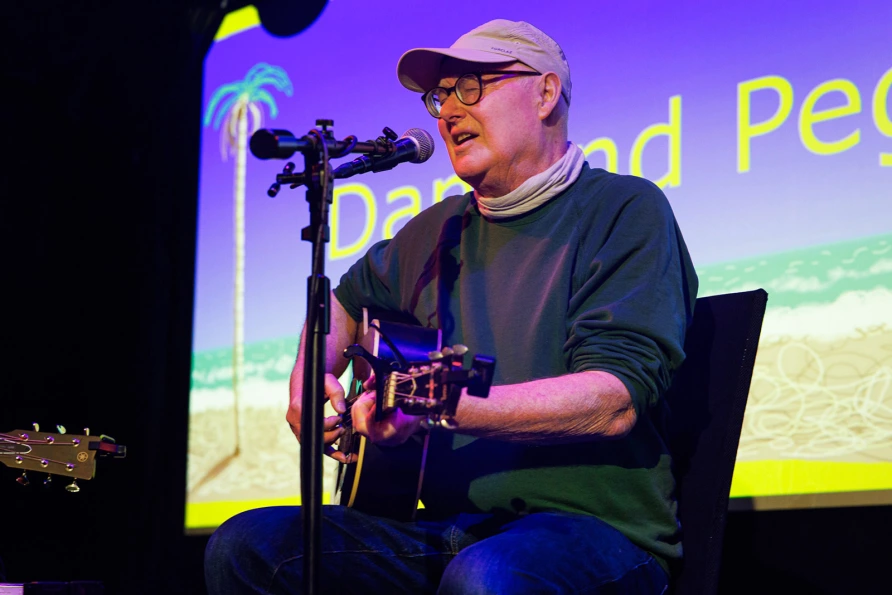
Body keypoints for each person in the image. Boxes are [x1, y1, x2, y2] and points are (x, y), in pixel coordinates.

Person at [205, 19, 698, 594]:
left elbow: (612, 401)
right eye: (441, 96)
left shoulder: (624, 208)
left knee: (486, 577)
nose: (447, 113)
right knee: (246, 549)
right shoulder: (435, 231)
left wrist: (444, 407)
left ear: (545, 94)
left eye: (472, 87)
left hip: (594, 534)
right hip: (446, 531)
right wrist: (308, 377)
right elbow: (340, 305)